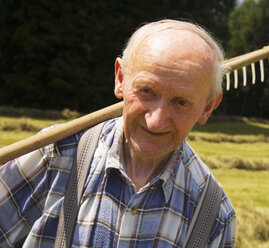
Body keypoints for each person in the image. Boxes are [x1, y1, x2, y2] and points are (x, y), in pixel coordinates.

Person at [0, 19, 236, 247]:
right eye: (146, 90)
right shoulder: (57, 152)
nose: (155, 121)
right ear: (120, 78)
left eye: (181, 102)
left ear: (207, 108)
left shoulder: (214, 214)